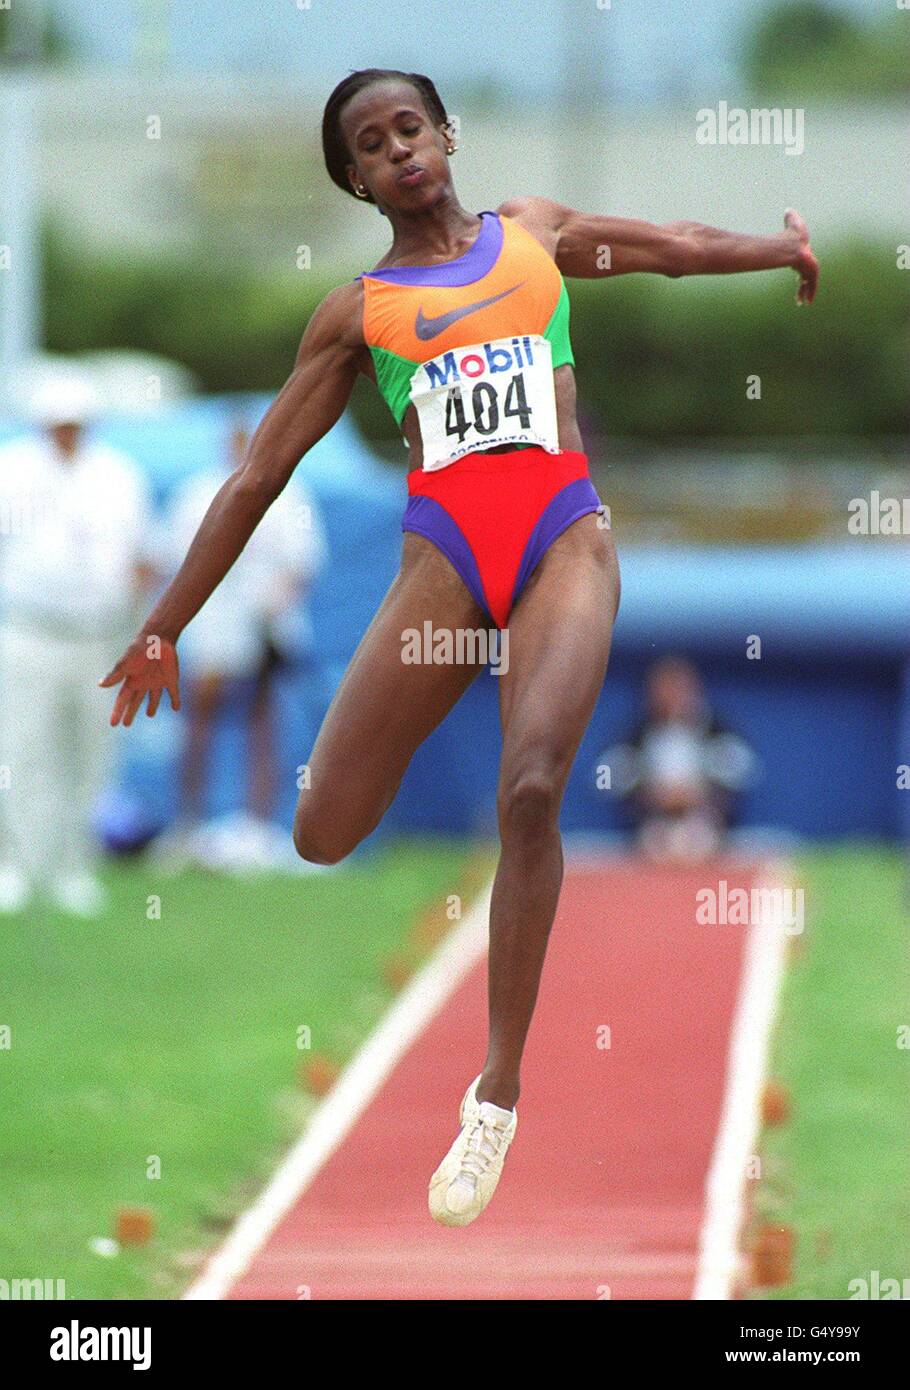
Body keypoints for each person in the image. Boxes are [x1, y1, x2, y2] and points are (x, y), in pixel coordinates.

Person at [99, 68, 818, 1226]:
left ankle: (495, 1091)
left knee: (529, 786)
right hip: (444, 567)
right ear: (353, 179)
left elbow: (674, 245)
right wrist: (162, 625)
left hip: (560, 540)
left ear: (445, 133)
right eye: (371, 146)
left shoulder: (533, 236)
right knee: (321, 829)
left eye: (409, 128)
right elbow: (256, 475)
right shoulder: (356, 313)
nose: (398, 152)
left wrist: (777, 251)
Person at [0, 373, 153, 916]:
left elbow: (139, 558)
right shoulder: (12, 468)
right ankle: (15, 864)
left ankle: (72, 865)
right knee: (22, 746)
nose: (67, 433)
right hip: (30, 629)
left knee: (90, 748)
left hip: (100, 634)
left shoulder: (118, 475)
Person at [157, 419, 327, 871]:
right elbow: (174, 559)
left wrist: (273, 605)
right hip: (212, 627)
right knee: (200, 719)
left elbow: (303, 562)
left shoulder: (290, 496)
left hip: (267, 628)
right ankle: (189, 824)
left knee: (261, 722)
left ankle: (256, 827)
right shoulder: (198, 494)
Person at [600, 656, 757, 862]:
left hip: (703, 821)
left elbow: (741, 773)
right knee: (657, 844)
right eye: (664, 688)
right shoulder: (637, 734)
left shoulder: (717, 730)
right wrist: (650, 793)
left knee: (698, 842)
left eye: (679, 688)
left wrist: (698, 795)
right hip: (654, 824)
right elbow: (608, 779)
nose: (671, 696)